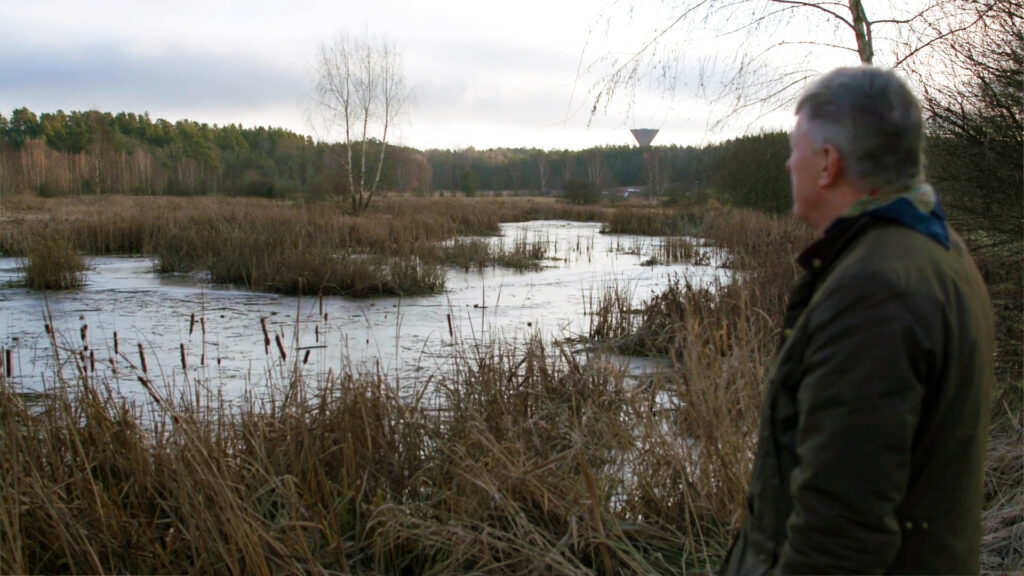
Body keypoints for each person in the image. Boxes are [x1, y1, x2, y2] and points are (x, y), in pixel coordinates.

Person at [721, 66, 995, 574]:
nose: (786, 165)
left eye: (795, 149)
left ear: (828, 163)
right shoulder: (936, 253)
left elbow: (838, 536)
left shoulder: (877, 291)